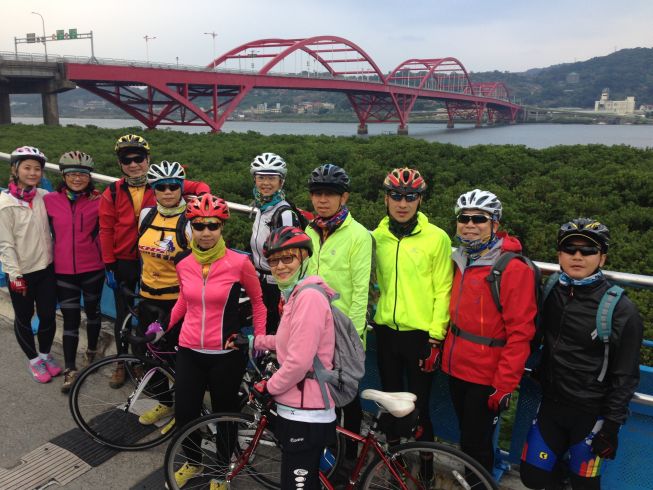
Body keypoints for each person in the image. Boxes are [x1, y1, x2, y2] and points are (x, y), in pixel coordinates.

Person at [148, 194, 266, 489]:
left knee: (225, 416)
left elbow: (259, 303)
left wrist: (259, 340)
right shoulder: (184, 262)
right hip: (189, 350)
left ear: (221, 227)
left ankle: (222, 472)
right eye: (199, 226)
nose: (206, 232)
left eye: (213, 225)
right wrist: (162, 327)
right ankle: (193, 461)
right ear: (191, 227)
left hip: (226, 354)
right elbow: (183, 302)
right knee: (185, 413)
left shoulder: (239, 263)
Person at [520, 219, 643, 490]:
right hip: (551, 403)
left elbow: (626, 375)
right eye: (570, 249)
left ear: (602, 258)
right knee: (533, 477)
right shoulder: (552, 290)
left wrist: (611, 427)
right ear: (559, 255)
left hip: (592, 414)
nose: (577, 256)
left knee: (585, 485)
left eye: (588, 250)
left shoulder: (621, 310)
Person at [228, 226, 337, 490]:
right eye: (274, 261)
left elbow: (299, 362)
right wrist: (253, 341)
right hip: (298, 407)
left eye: (288, 258)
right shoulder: (296, 294)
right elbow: (288, 342)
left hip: (306, 412)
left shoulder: (309, 298)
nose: (280, 266)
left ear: (304, 258)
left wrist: (269, 386)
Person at [99, 134, 209, 388]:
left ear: (148, 159)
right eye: (127, 160)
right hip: (124, 260)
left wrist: (202, 197)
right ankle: (122, 362)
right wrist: (109, 264)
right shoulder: (112, 192)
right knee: (124, 314)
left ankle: (150, 363)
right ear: (120, 164)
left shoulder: (160, 182)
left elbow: (197, 185)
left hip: (155, 260)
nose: (133, 164)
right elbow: (106, 229)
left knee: (154, 315)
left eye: (138, 158)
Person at [441, 189, 536, 475]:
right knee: (467, 436)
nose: (470, 224)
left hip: (486, 375)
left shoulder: (511, 268)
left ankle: (479, 483)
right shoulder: (461, 258)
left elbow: (521, 333)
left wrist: (505, 384)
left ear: (495, 224)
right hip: (456, 366)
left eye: (479, 219)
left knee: (477, 444)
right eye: (464, 218)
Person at [373, 168, 453, 468]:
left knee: (419, 407)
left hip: (421, 337)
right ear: (386, 199)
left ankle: (426, 468)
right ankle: (395, 464)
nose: (402, 203)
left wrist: (435, 338)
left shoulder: (437, 238)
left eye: (410, 197)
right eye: (396, 196)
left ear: (420, 200)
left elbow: (444, 289)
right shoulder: (376, 236)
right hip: (385, 331)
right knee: (389, 402)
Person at [305, 163, 372, 463]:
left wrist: (352, 340)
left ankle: (349, 464)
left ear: (344, 197)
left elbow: (360, 291)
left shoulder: (358, 235)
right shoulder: (310, 230)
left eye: (330, 194)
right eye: (317, 193)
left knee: (349, 401)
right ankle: (327, 458)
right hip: (313, 330)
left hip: (344, 332)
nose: (322, 200)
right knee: (320, 395)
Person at [134, 160, 192, 425]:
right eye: (161, 187)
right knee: (149, 354)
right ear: (153, 189)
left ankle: (184, 409)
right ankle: (164, 402)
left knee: (179, 359)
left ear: (181, 188)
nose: (168, 192)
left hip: (177, 302)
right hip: (148, 297)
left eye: (173, 186)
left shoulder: (189, 220)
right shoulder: (146, 215)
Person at [44, 151, 105, 393]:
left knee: (93, 313)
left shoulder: (99, 201)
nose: (77, 178)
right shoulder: (50, 200)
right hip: (63, 270)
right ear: (63, 176)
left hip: (93, 268)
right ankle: (70, 368)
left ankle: (92, 351)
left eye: (82, 174)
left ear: (90, 177)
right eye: (71, 174)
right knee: (70, 319)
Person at [0, 146, 61, 383]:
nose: (33, 173)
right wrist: (14, 275)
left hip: (46, 269)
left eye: (37, 169)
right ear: (15, 170)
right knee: (24, 318)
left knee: (48, 315)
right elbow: (5, 244)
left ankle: (45, 354)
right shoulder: (5, 204)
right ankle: (34, 360)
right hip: (22, 273)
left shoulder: (43, 196)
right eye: (27, 168)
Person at [249, 152, 298, 334]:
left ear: (281, 182)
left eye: (271, 178)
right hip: (259, 282)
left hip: (276, 287)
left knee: (273, 333)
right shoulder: (262, 208)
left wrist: (286, 295)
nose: (266, 183)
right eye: (261, 177)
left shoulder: (283, 213)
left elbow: (290, 257)